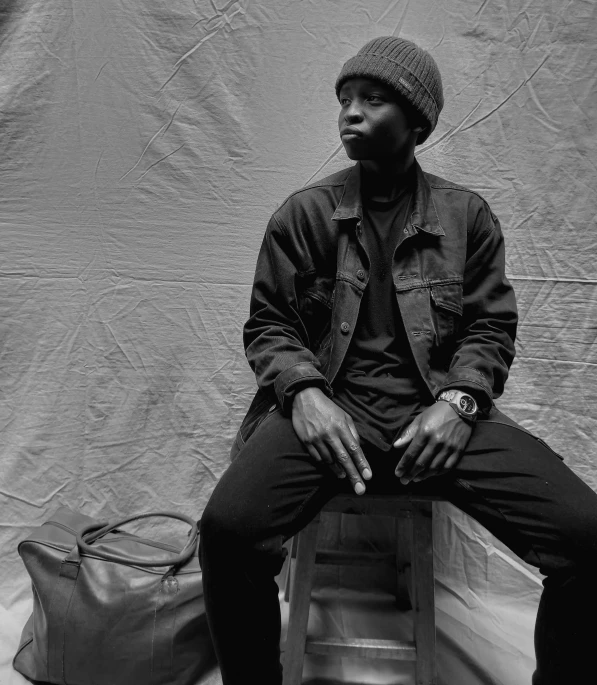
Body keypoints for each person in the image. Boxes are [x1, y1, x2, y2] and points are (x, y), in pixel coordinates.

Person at [199, 36, 597, 685]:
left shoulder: (466, 216)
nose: (349, 112)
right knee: (225, 530)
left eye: (372, 99)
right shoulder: (303, 214)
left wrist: (459, 403)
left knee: (586, 538)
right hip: (331, 411)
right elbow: (269, 325)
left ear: (416, 120)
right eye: (344, 99)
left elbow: (490, 327)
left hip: (432, 415)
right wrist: (303, 395)